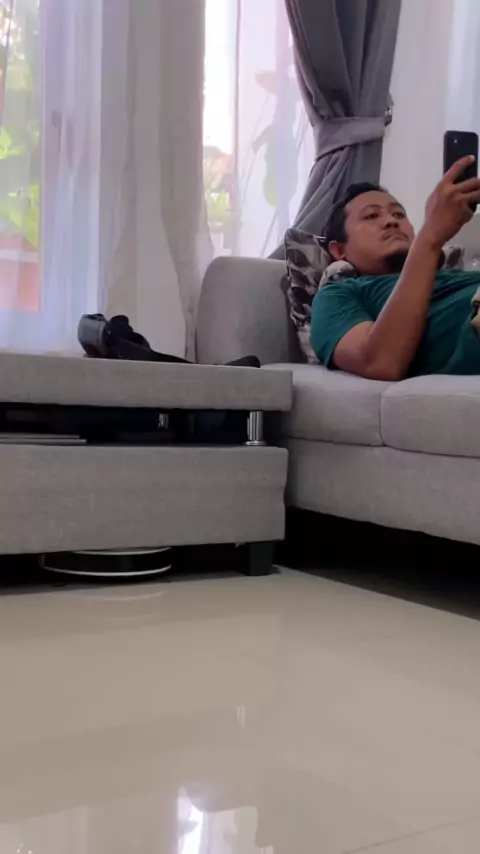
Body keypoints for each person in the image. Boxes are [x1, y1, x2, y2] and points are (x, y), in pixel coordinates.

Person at [310, 156, 480, 380]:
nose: (392, 221)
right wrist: (429, 238)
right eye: (371, 215)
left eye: (399, 214)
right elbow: (380, 362)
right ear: (339, 250)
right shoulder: (339, 294)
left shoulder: (454, 275)